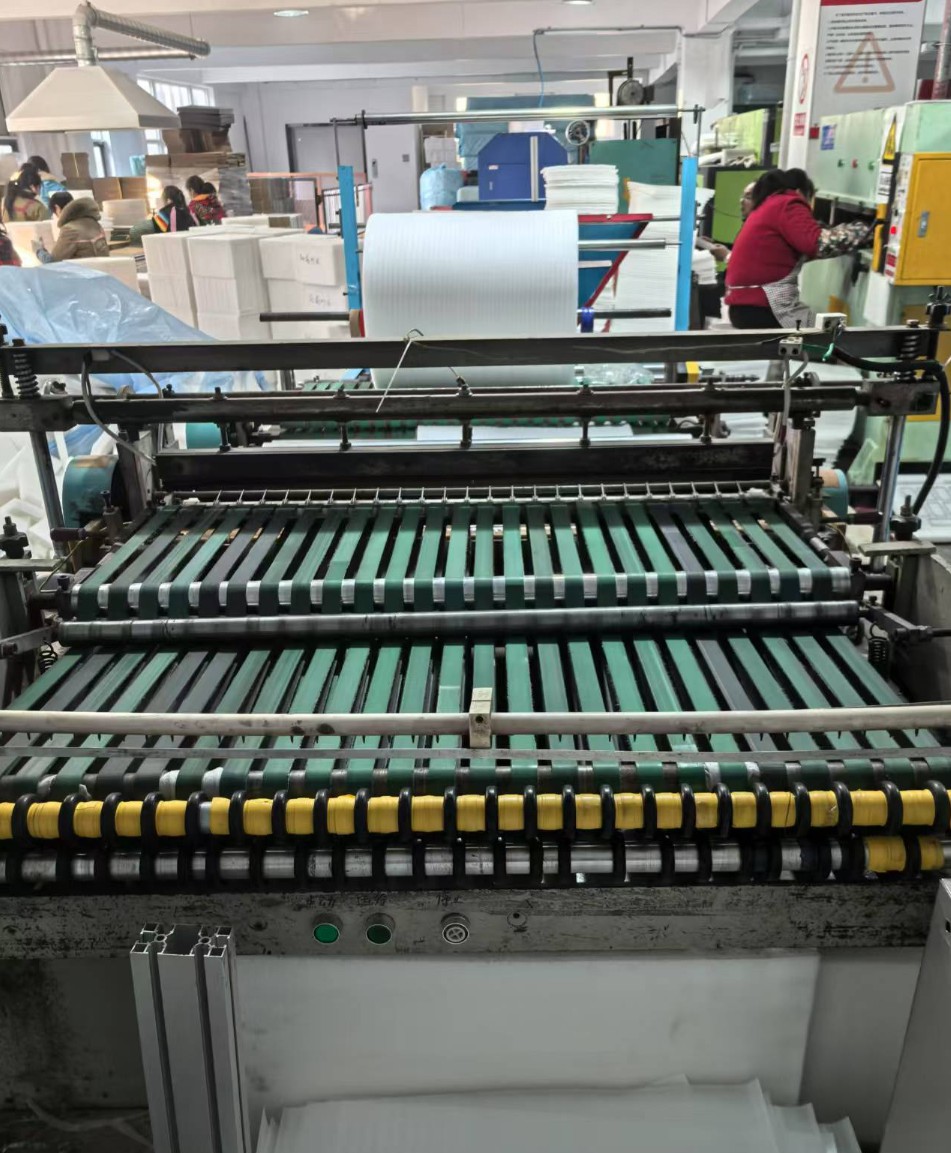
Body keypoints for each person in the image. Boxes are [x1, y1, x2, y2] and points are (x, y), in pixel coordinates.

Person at [725, 167, 872, 329]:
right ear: (801, 193)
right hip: (768, 306)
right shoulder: (788, 203)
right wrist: (864, 230)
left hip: (745, 308)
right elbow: (820, 245)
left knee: (823, 331)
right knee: (832, 336)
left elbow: (791, 249)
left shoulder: (767, 206)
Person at [44, 197, 110, 261]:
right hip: (101, 268)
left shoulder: (70, 230)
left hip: (83, 268)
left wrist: (40, 251)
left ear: (57, 208)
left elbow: (53, 261)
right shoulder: (95, 223)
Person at [129, 186, 194, 241]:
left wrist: (131, 233)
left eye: (163, 199)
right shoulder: (188, 210)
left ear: (168, 200)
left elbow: (137, 231)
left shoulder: (166, 213)